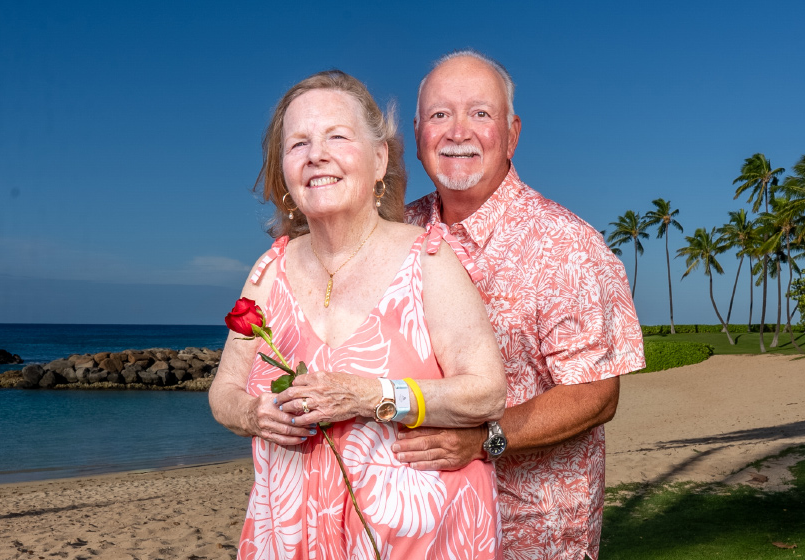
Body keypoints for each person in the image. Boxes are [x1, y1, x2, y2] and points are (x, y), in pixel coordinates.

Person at [208, 70, 507, 560]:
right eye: (298, 143)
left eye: (337, 137)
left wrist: (371, 395)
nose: (315, 155)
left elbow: (487, 391)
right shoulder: (268, 272)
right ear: (283, 169)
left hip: (417, 538)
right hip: (290, 537)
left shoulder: (427, 259)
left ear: (379, 159)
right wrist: (253, 413)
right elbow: (224, 392)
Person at [396, 50, 646, 560]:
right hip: (419, 525)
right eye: (440, 115)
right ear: (418, 138)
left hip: (530, 531)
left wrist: (482, 439)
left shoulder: (566, 246)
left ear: (511, 134)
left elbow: (596, 395)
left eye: (479, 114)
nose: (457, 131)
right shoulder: (396, 235)